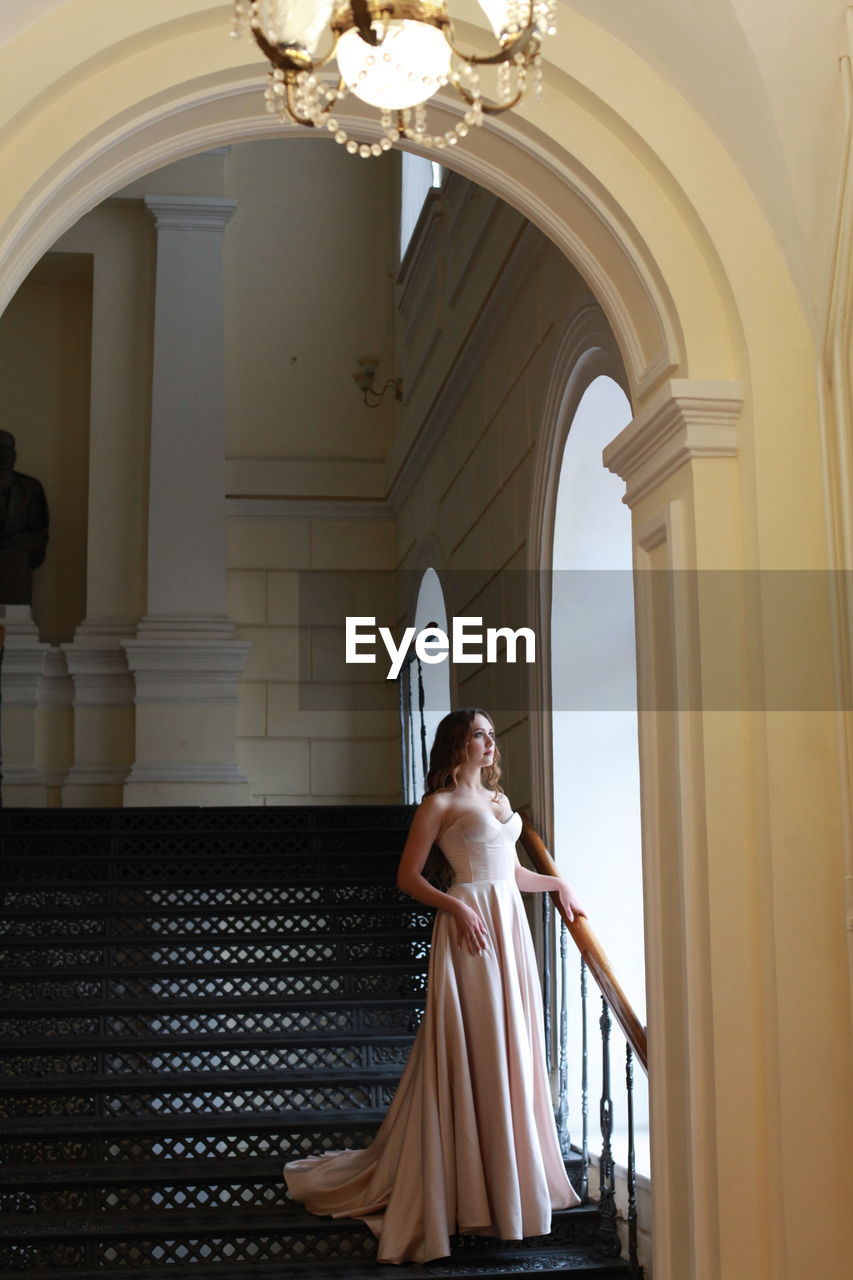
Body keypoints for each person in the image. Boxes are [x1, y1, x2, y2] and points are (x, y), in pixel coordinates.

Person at [284, 707, 586, 1263]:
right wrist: (456, 906)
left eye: (492, 734)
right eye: (479, 735)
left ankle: (512, 1184)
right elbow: (409, 877)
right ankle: (471, 1186)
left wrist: (558, 882)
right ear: (457, 745)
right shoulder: (439, 805)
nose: (490, 742)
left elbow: (512, 874)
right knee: (481, 1047)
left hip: (507, 927)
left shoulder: (498, 802)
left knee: (511, 1047)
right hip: (470, 928)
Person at [0, 430, 49, 605]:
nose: (6, 455)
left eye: (10, 449)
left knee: (16, 561)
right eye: (1, 449)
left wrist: (14, 545)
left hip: (15, 557)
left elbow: (38, 535)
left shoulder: (31, 488)